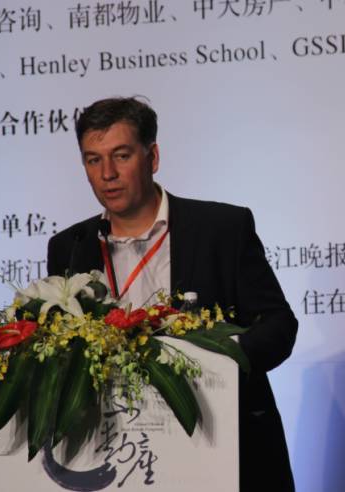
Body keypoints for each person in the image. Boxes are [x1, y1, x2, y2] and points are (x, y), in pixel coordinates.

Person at [47, 97, 298, 491]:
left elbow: (279, 325)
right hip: (118, 460)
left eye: (121, 156)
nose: (107, 174)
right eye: (93, 160)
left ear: (153, 157)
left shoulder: (221, 228)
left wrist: (216, 365)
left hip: (222, 447)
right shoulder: (70, 247)